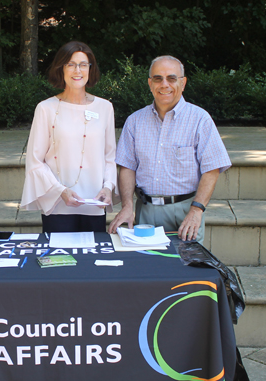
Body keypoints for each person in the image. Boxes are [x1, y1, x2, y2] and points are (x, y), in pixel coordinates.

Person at [108, 55, 231, 243]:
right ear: (150, 83)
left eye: (171, 78)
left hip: (185, 211)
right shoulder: (134, 121)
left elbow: (211, 169)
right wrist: (126, 206)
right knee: (148, 267)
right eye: (158, 78)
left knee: (186, 269)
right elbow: (127, 167)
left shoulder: (200, 119)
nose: (164, 84)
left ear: (183, 83)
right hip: (146, 211)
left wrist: (196, 210)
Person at [20, 41, 117, 233]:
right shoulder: (45, 109)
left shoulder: (105, 107)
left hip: (94, 205)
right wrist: (60, 192)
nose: (77, 70)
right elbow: (35, 161)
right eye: (71, 64)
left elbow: (110, 157)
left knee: (92, 260)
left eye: (83, 64)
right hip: (58, 205)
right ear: (61, 68)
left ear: (90, 69)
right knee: (60, 260)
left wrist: (108, 187)